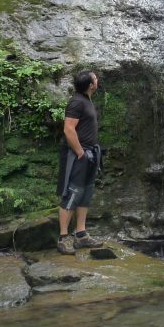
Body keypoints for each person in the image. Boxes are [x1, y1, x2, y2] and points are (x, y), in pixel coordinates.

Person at [57, 68, 103, 253]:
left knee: (85, 193)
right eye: (95, 78)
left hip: (90, 154)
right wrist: (79, 152)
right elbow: (68, 129)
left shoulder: (85, 100)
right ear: (91, 85)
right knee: (72, 193)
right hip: (79, 155)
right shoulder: (76, 102)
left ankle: (81, 234)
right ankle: (63, 237)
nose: (97, 80)